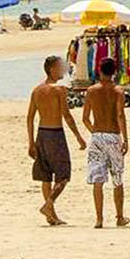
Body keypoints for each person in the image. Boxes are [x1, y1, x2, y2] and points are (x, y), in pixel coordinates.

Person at [27, 55, 87, 225]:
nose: (63, 70)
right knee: (63, 176)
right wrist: (79, 137)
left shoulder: (37, 90)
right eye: (60, 67)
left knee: (45, 176)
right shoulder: (59, 90)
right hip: (55, 134)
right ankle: (48, 205)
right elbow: (66, 115)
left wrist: (31, 142)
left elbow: (30, 118)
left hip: (42, 134)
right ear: (52, 69)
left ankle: (51, 216)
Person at [82, 58, 129, 228]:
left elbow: (85, 118)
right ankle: (119, 216)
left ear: (99, 71)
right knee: (117, 176)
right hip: (113, 135)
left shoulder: (91, 91)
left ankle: (99, 219)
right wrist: (125, 139)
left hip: (97, 136)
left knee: (97, 179)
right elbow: (120, 115)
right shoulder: (118, 91)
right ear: (114, 72)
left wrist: (95, 131)